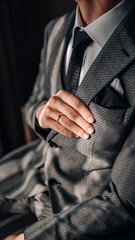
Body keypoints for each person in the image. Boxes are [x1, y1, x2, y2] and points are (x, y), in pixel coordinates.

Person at [1, 0, 135, 239]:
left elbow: (125, 201)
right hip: (34, 171)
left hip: (88, 210)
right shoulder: (55, 30)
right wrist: (40, 113)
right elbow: (35, 101)